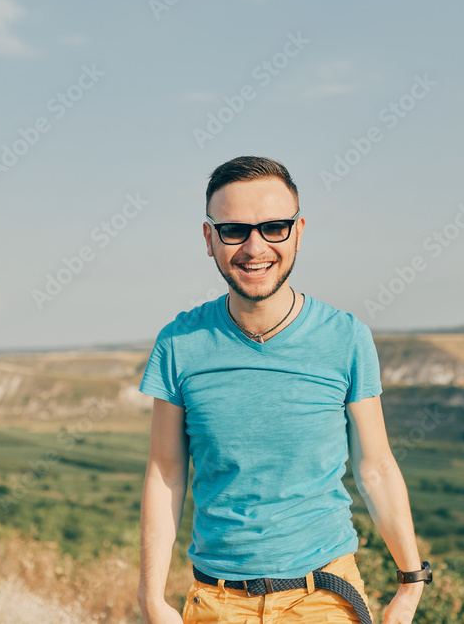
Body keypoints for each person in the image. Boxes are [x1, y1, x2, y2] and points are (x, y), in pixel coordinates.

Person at [136, 156, 431, 623]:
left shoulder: (346, 338)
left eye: (274, 227)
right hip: (215, 602)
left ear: (298, 231)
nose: (255, 247)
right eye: (234, 230)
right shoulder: (179, 343)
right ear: (209, 239)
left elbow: (375, 468)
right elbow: (166, 472)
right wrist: (151, 598)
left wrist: (411, 583)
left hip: (323, 596)